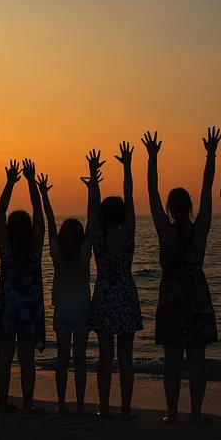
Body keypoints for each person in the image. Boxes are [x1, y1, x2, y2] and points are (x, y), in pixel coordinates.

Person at [148, 128, 220, 423]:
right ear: (189, 207)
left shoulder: (165, 231)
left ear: (169, 208)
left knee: (173, 361)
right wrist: (211, 155)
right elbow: (208, 189)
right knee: (198, 360)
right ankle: (196, 413)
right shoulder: (200, 228)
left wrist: (152, 158)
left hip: (172, 298)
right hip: (196, 297)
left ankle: (173, 413)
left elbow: (152, 193)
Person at [86, 145, 144, 420]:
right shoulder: (128, 236)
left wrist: (94, 176)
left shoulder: (97, 236)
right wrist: (127, 166)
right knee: (126, 357)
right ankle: (125, 409)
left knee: (105, 356)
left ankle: (105, 408)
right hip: (125, 295)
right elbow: (130, 198)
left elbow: (92, 210)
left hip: (105, 295)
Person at [0, 159, 46, 413]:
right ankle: (26, 406)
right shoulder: (35, 246)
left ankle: (3, 403)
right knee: (27, 360)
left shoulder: (6, 247)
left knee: (4, 357)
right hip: (29, 307)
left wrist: (9, 183)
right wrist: (31, 182)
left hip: (6, 305)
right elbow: (39, 213)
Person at [39, 169, 92, 415]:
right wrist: (92, 190)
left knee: (62, 358)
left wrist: (44, 196)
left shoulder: (58, 254)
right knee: (79, 359)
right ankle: (80, 404)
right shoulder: (83, 254)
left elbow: (50, 221)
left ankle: (61, 403)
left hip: (62, 311)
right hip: (81, 310)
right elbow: (93, 221)